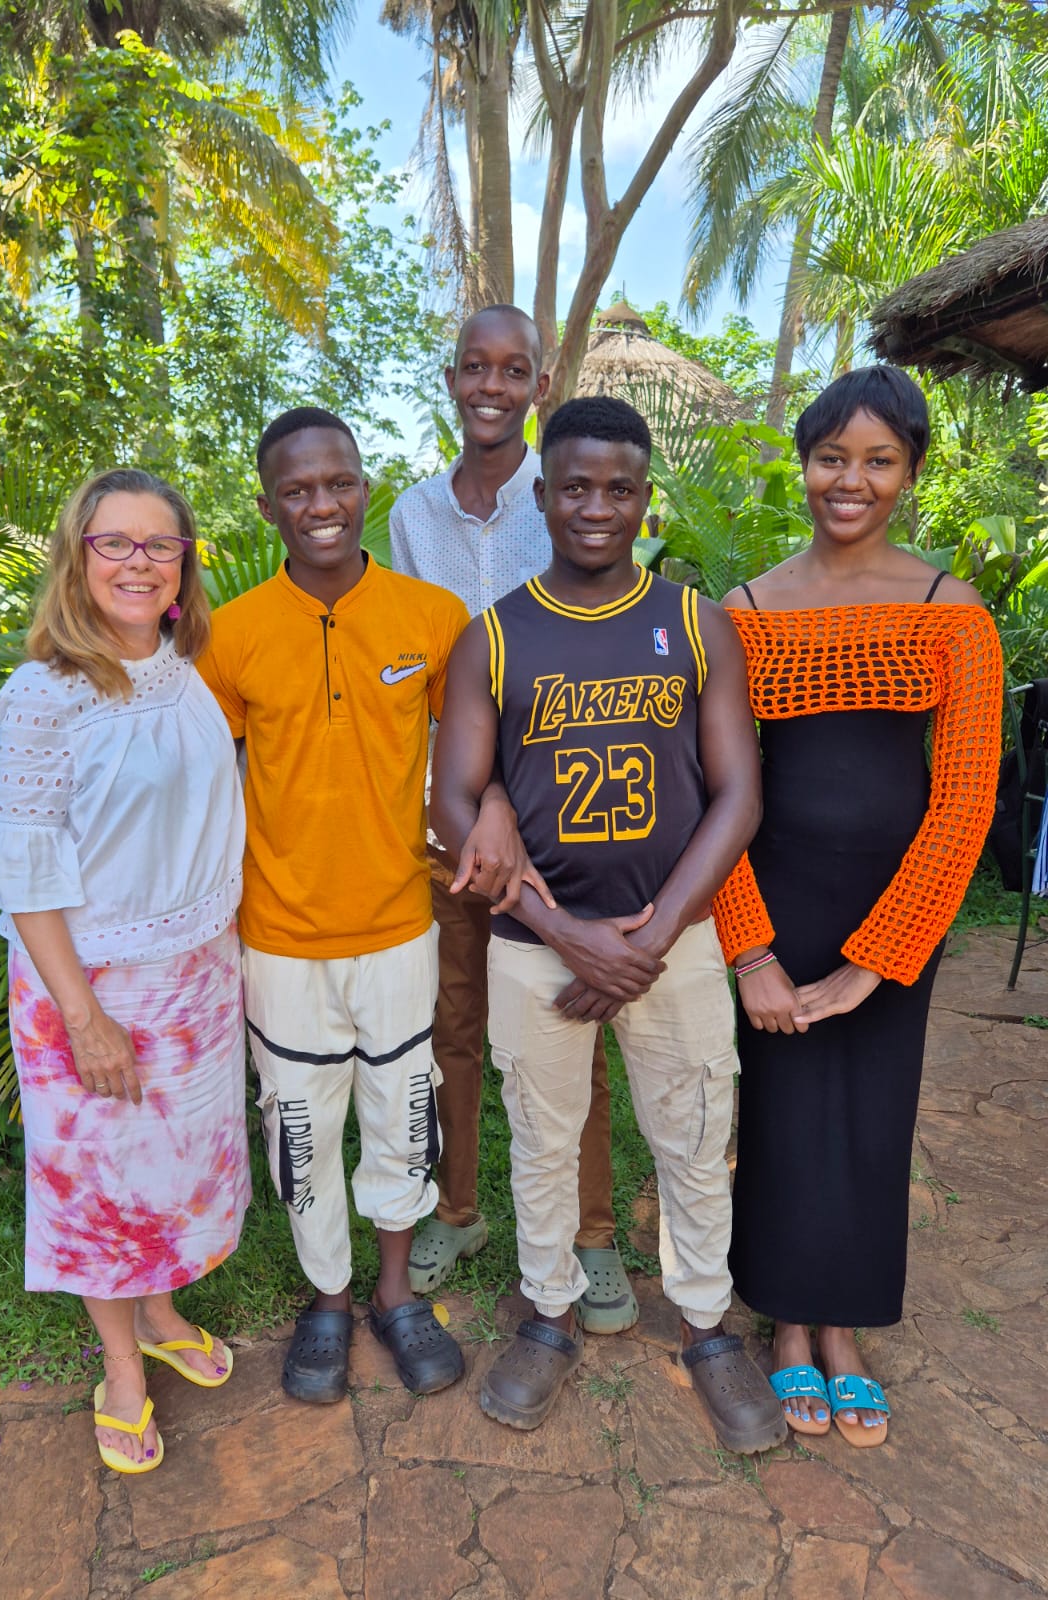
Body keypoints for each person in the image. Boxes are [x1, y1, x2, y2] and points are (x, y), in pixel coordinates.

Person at [431, 395, 787, 1449]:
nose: (597, 507)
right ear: (542, 496)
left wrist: (650, 937)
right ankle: (548, 1314)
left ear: (644, 498)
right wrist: (567, 934)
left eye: (619, 488)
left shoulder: (695, 623)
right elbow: (455, 802)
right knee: (542, 1139)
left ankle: (708, 1327)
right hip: (535, 945)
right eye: (576, 487)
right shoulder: (494, 637)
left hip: (672, 944)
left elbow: (739, 796)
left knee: (694, 1131)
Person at [199, 407, 536, 1405]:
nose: (323, 504)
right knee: (300, 1127)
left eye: (339, 482)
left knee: (401, 1110)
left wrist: (499, 805)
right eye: (298, 489)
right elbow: (204, 779)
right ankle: (328, 1299)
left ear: (365, 489)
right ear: (268, 505)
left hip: (399, 921)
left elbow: (476, 749)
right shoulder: (231, 636)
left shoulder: (430, 617)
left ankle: (394, 1292)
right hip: (280, 934)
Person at [713, 365, 1003, 1447]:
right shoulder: (743, 613)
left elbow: (967, 795)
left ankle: (843, 1330)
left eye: (879, 460)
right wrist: (751, 950)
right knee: (782, 1113)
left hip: (899, 906)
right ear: (804, 464)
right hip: (777, 902)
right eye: (832, 457)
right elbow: (717, 792)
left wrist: (881, 954)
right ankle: (788, 1323)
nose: (852, 480)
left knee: (875, 1114)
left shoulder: (949, 612)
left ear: (910, 472)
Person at [0, 468, 249, 1476]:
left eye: (159, 543)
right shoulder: (45, 696)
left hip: (195, 976)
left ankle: (163, 1311)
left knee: (170, 1170)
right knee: (104, 1187)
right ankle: (123, 1368)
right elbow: (27, 871)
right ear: (77, 557)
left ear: (184, 562)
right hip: (88, 986)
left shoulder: (184, 665)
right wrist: (83, 1015)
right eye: (114, 542)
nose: (139, 562)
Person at [391, 304, 639, 1334]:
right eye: (473, 367)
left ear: (540, 386)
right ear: (452, 379)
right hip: (452, 817)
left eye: (512, 370)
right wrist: (479, 796)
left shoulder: (570, 496)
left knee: (575, 1024)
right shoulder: (412, 516)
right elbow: (432, 678)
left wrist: (509, 792)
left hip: (563, 816)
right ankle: (457, 1210)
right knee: (455, 1021)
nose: (490, 387)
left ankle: (592, 1231)